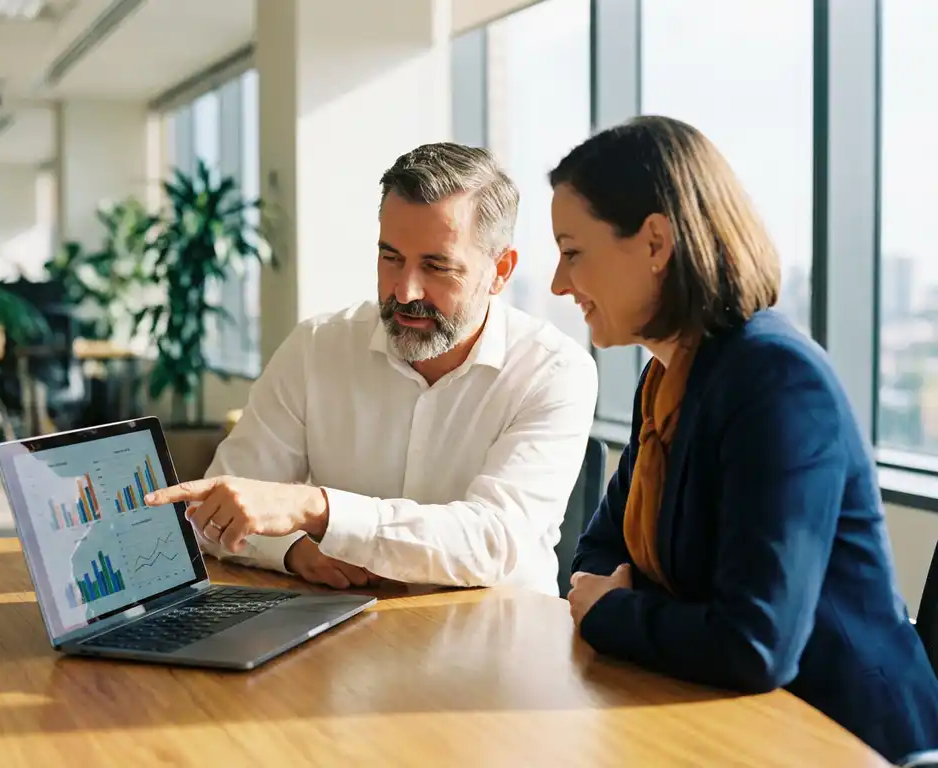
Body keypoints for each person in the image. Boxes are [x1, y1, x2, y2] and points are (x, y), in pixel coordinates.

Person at [551, 115, 938, 762]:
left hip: (850, 741)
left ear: (655, 242)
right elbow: (596, 556)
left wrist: (615, 612)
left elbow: (754, 644)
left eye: (572, 252)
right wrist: (637, 608)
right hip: (723, 723)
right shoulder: (665, 380)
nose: (559, 284)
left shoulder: (776, 380)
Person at [145, 142, 598, 597]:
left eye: (436, 266)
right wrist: (294, 549)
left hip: (498, 630)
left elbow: (493, 542)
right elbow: (215, 515)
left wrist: (320, 511)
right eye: (391, 257)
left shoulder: (554, 371)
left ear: (500, 271)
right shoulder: (316, 347)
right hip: (351, 626)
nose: (404, 292)